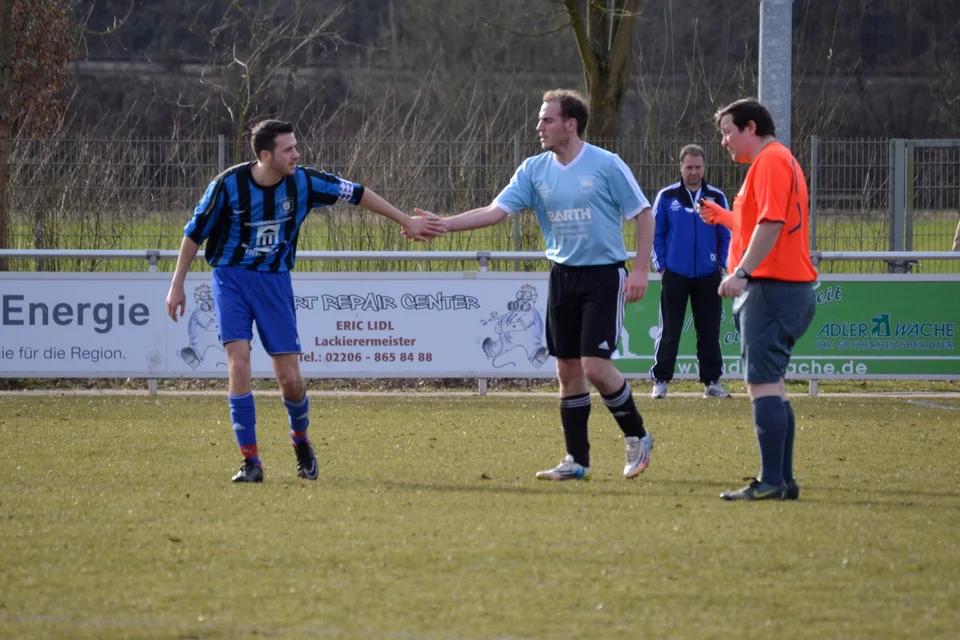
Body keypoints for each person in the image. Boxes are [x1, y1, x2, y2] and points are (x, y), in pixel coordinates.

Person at [165, 119, 444, 483]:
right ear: (265, 156)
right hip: (231, 279)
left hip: (274, 283)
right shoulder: (228, 185)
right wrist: (177, 284)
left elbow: (357, 192)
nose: (296, 154)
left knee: (290, 379)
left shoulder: (305, 181)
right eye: (288, 149)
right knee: (239, 364)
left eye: (296, 147)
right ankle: (251, 462)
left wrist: (404, 219)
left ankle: (301, 441)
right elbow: (193, 234)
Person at [411, 89, 655, 481]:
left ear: (570, 125)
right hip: (562, 276)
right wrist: (443, 225)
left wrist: (641, 269)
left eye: (547, 119)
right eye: (540, 119)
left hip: (603, 275)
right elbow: (495, 211)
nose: (538, 126)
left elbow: (643, 213)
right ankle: (577, 460)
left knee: (595, 366)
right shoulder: (533, 170)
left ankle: (637, 436)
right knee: (567, 369)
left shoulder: (606, 164)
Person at [698, 99, 818, 501]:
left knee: (762, 384)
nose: (724, 141)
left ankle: (771, 481)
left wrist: (742, 273)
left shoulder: (770, 161)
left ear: (751, 127)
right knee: (774, 386)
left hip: (771, 289)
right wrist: (724, 217)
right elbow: (758, 224)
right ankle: (782, 481)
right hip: (783, 288)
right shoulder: (778, 160)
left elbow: (771, 224)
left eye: (727, 132)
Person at [650, 144, 732, 400]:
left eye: (698, 167)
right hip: (674, 274)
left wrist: (721, 265)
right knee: (669, 331)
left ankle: (712, 382)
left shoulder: (716, 197)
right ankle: (661, 381)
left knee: (709, 331)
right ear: (681, 167)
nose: (694, 172)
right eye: (689, 167)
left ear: (704, 167)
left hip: (709, 275)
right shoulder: (667, 197)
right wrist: (662, 267)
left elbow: (726, 234)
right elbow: (656, 234)